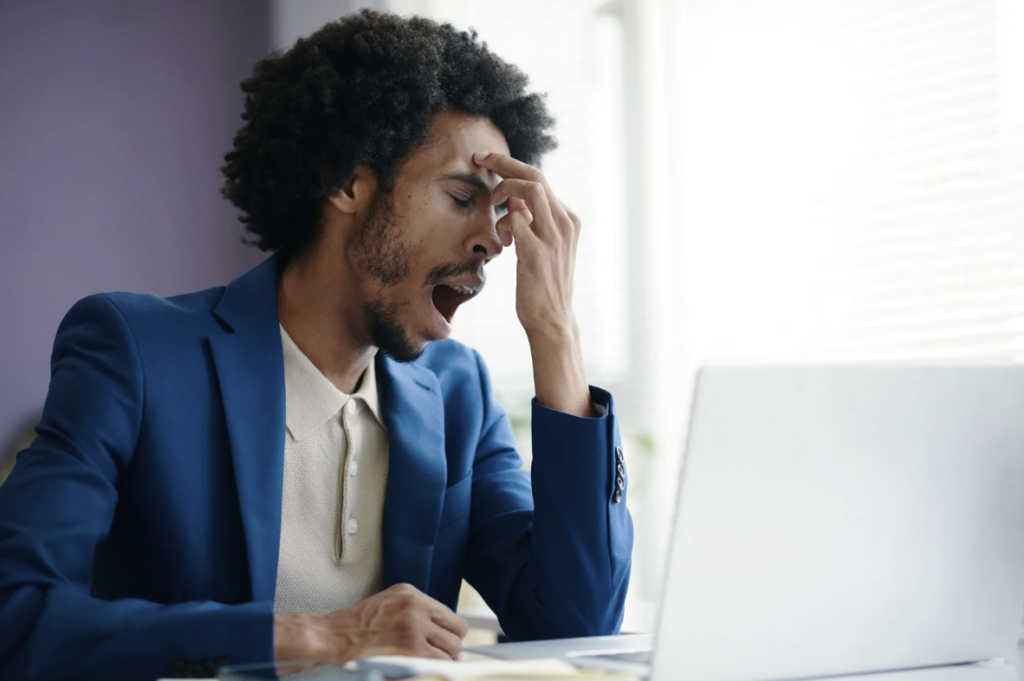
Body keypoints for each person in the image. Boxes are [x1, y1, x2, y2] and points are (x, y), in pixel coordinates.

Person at [0, 11, 632, 681]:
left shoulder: (457, 392)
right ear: (346, 181)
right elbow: (17, 615)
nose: (493, 239)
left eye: (501, 212)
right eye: (460, 197)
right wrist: (314, 635)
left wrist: (556, 334)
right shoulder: (137, 353)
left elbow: (576, 622)